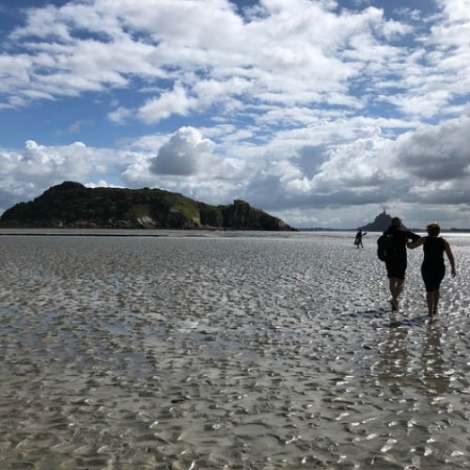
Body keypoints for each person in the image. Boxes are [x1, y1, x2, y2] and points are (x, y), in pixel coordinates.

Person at [407, 222, 456, 322]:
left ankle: (430, 313)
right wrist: (453, 268)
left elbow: (411, 247)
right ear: (438, 231)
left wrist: (406, 242)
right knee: (436, 288)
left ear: (428, 231)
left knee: (429, 289)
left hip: (427, 267)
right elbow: (450, 256)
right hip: (439, 267)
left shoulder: (425, 239)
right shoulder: (444, 241)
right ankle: (435, 309)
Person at [383, 217, 420, 311]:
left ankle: (394, 299)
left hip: (389, 258)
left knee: (392, 280)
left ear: (392, 223)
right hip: (400, 258)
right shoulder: (404, 232)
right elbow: (418, 238)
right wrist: (408, 243)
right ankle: (395, 299)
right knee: (400, 280)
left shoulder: (386, 233)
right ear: (400, 223)